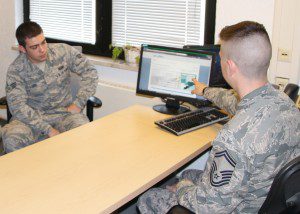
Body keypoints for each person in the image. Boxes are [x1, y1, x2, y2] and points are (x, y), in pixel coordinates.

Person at [138, 21, 300, 213]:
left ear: (230, 66)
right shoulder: (286, 103)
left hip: (239, 207)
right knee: (188, 173)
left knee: (149, 196)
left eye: (220, 58)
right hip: (269, 198)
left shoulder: (233, 137)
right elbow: (234, 102)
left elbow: (207, 207)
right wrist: (205, 90)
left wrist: (181, 188)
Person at [2, 21, 98, 153]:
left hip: (64, 113)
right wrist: (48, 130)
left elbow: (90, 71)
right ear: (23, 49)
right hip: (32, 119)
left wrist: (79, 102)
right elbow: (18, 106)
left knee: (83, 131)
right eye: (34, 47)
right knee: (12, 138)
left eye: (43, 42)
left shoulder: (63, 51)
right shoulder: (16, 69)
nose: (42, 50)